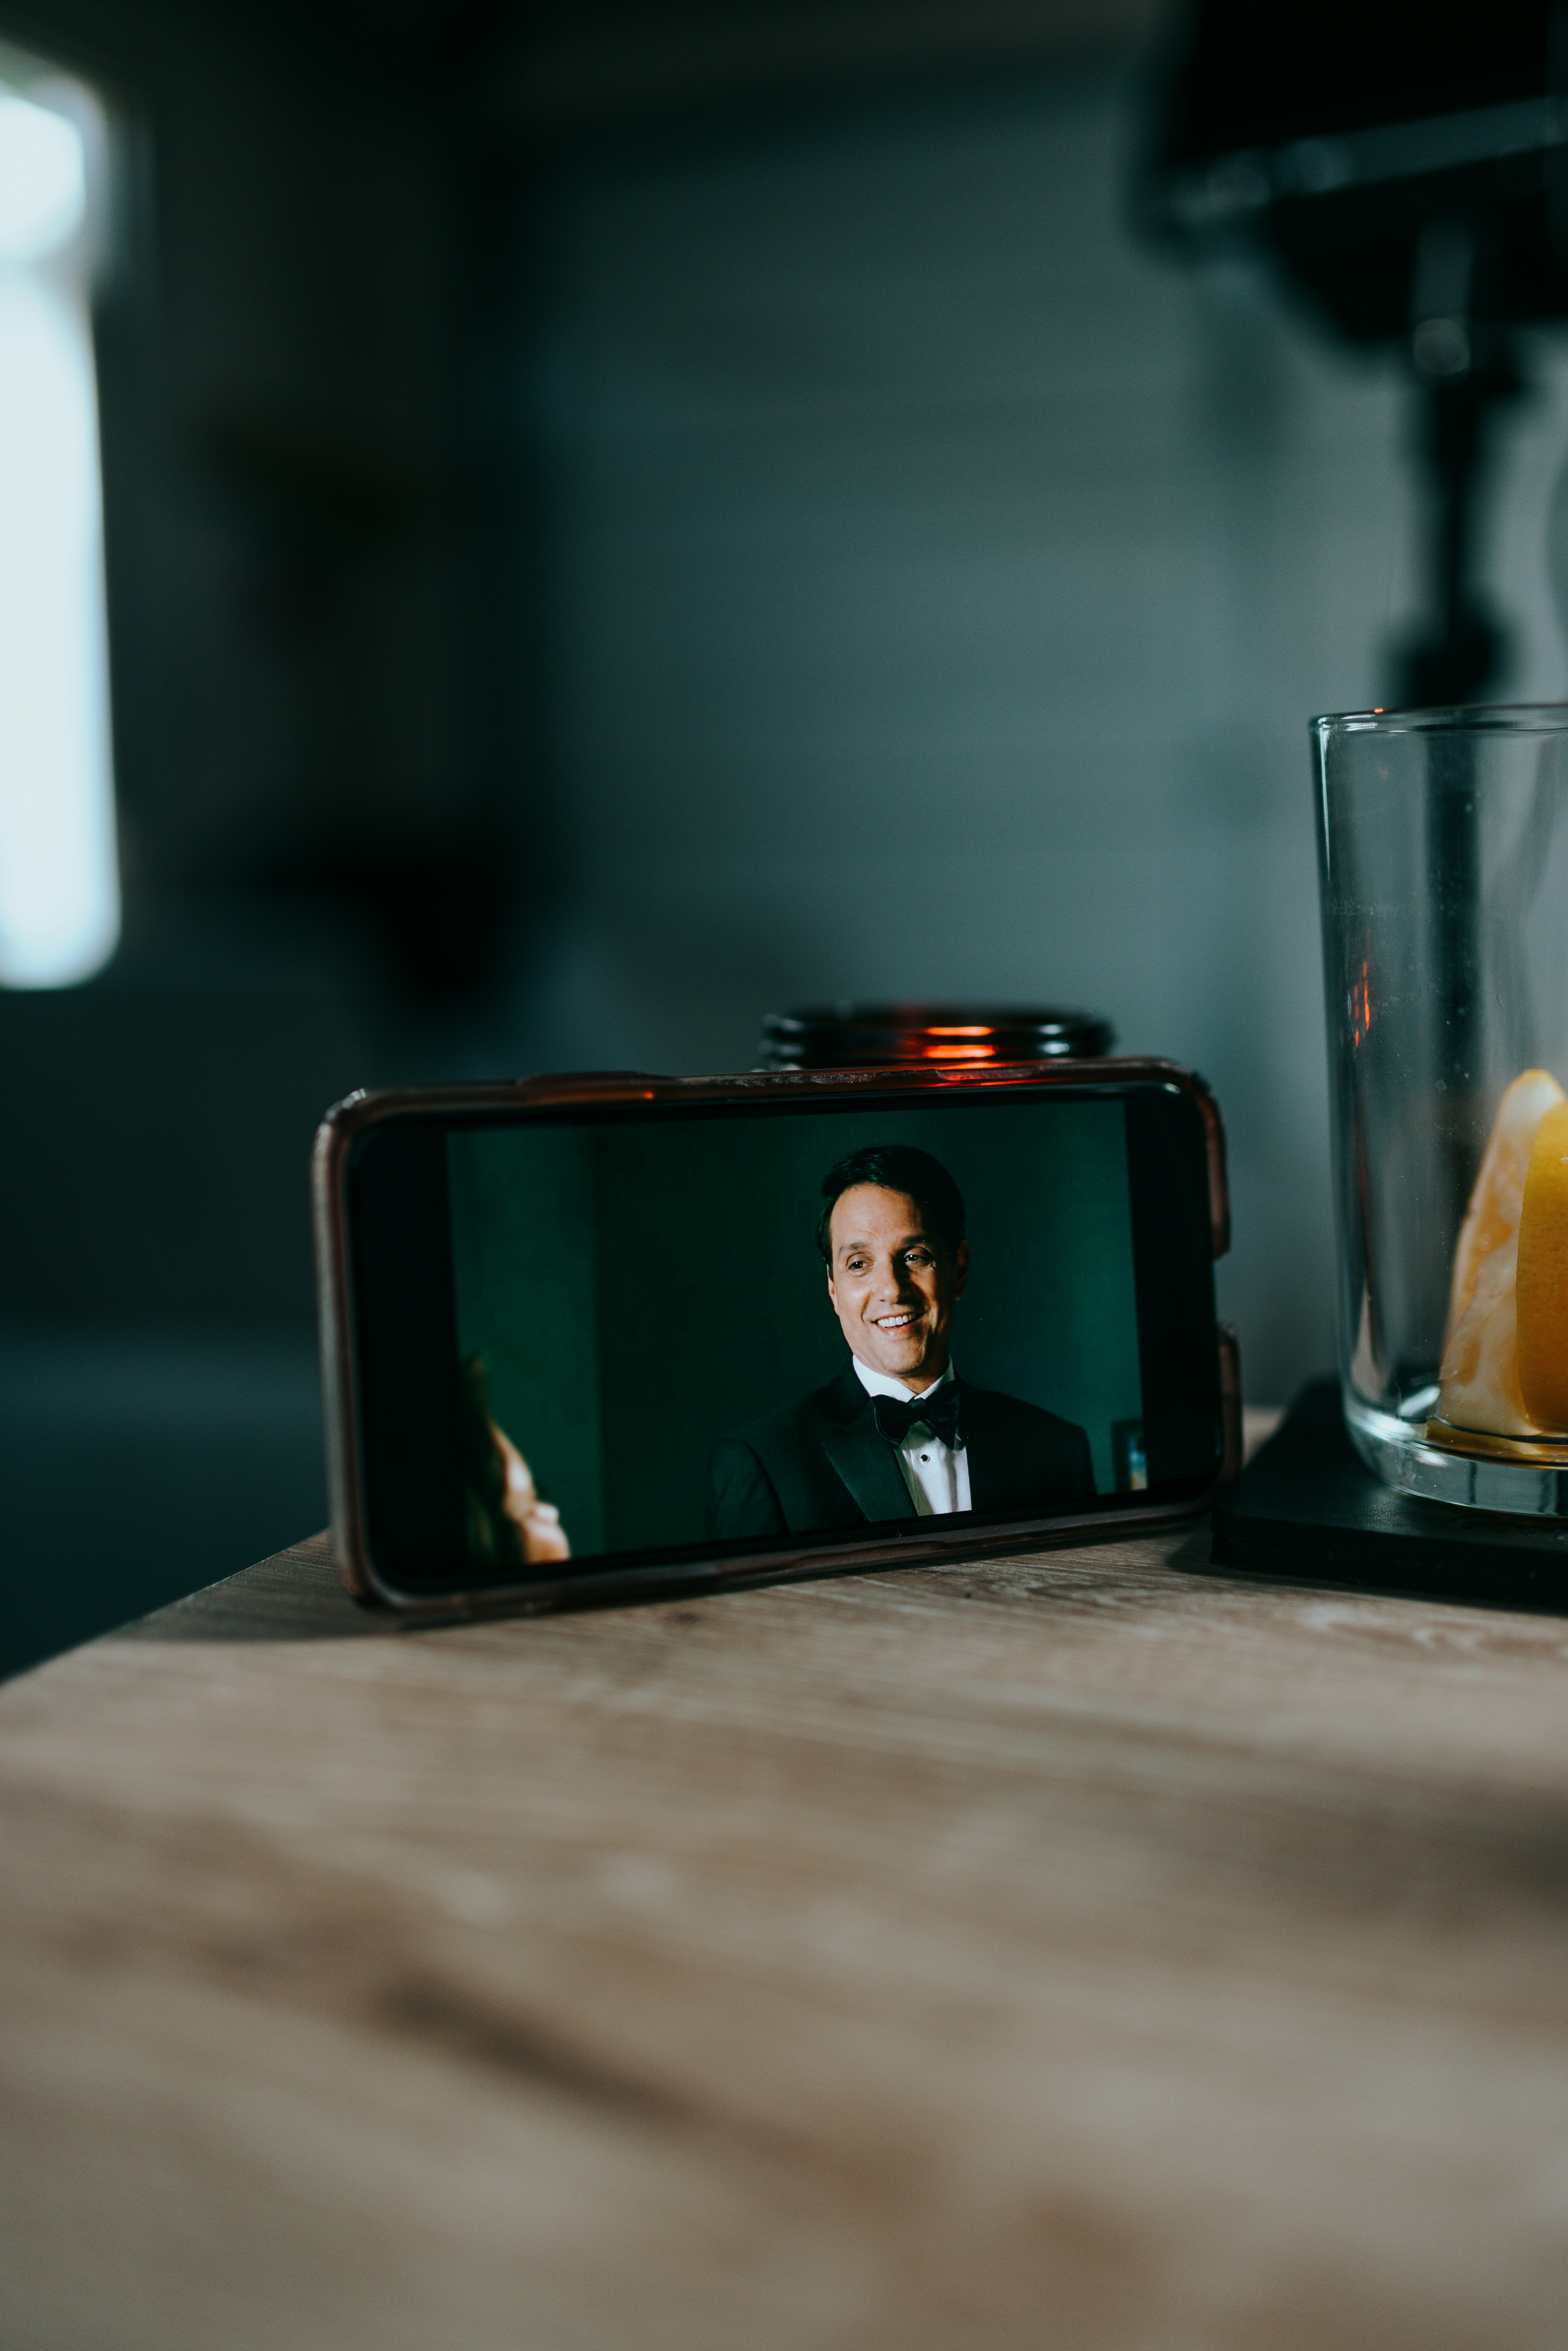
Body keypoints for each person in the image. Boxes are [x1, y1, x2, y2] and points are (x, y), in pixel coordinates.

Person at [709, 1143, 1095, 1539]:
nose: (892, 1290)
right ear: (833, 1291)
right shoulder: (763, 1463)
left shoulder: (1058, 1448)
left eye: (914, 1256)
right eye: (859, 1265)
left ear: (958, 1269)